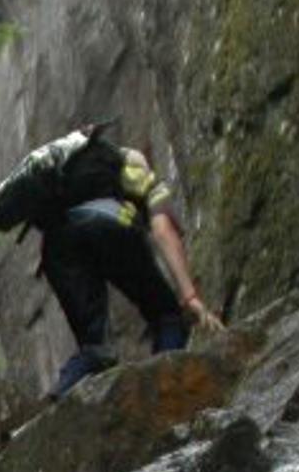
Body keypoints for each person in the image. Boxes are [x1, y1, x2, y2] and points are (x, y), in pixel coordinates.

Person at [18, 124, 225, 396]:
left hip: (57, 246)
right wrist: (190, 297)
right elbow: (163, 229)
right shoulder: (130, 165)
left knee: (94, 347)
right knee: (167, 317)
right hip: (110, 224)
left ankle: (56, 399)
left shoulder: (67, 178)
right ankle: (167, 389)